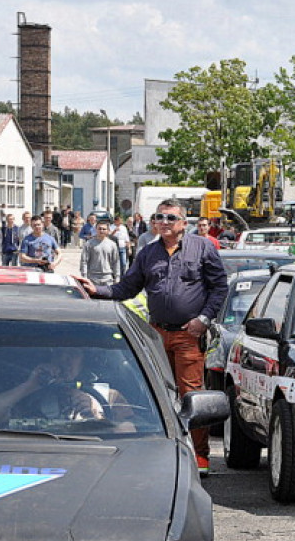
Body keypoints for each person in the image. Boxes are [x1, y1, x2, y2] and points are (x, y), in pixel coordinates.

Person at [78, 199, 227, 475]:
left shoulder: (202, 247)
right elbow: (126, 288)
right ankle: (161, 450)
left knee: (191, 394)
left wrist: (204, 320)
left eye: (170, 218)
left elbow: (219, 287)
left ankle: (201, 456)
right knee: (154, 393)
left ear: (184, 223)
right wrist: (96, 289)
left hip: (188, 334)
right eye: (159, 217)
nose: (163, 222)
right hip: (156, 334)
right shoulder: (148, 253)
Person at [0, 351, 108, 429]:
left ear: (84, 360)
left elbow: (122, 431)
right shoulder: (24, 395)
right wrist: (30, 385)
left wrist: (93, 416)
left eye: (73, 353)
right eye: (59, 353)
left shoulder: (104, 395)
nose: (64, 359)